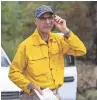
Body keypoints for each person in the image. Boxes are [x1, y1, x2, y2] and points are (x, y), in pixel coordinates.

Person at [8, 5, 86, 100]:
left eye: (50, 18)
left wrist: (65, 30)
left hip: (53, 95)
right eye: (43, 18)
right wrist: (29, 86)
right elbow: (13, 72)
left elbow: (81, 50)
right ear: (35, 21)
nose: (48, 22)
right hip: (33, 96)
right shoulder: (26, 45)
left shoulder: (59, 40)